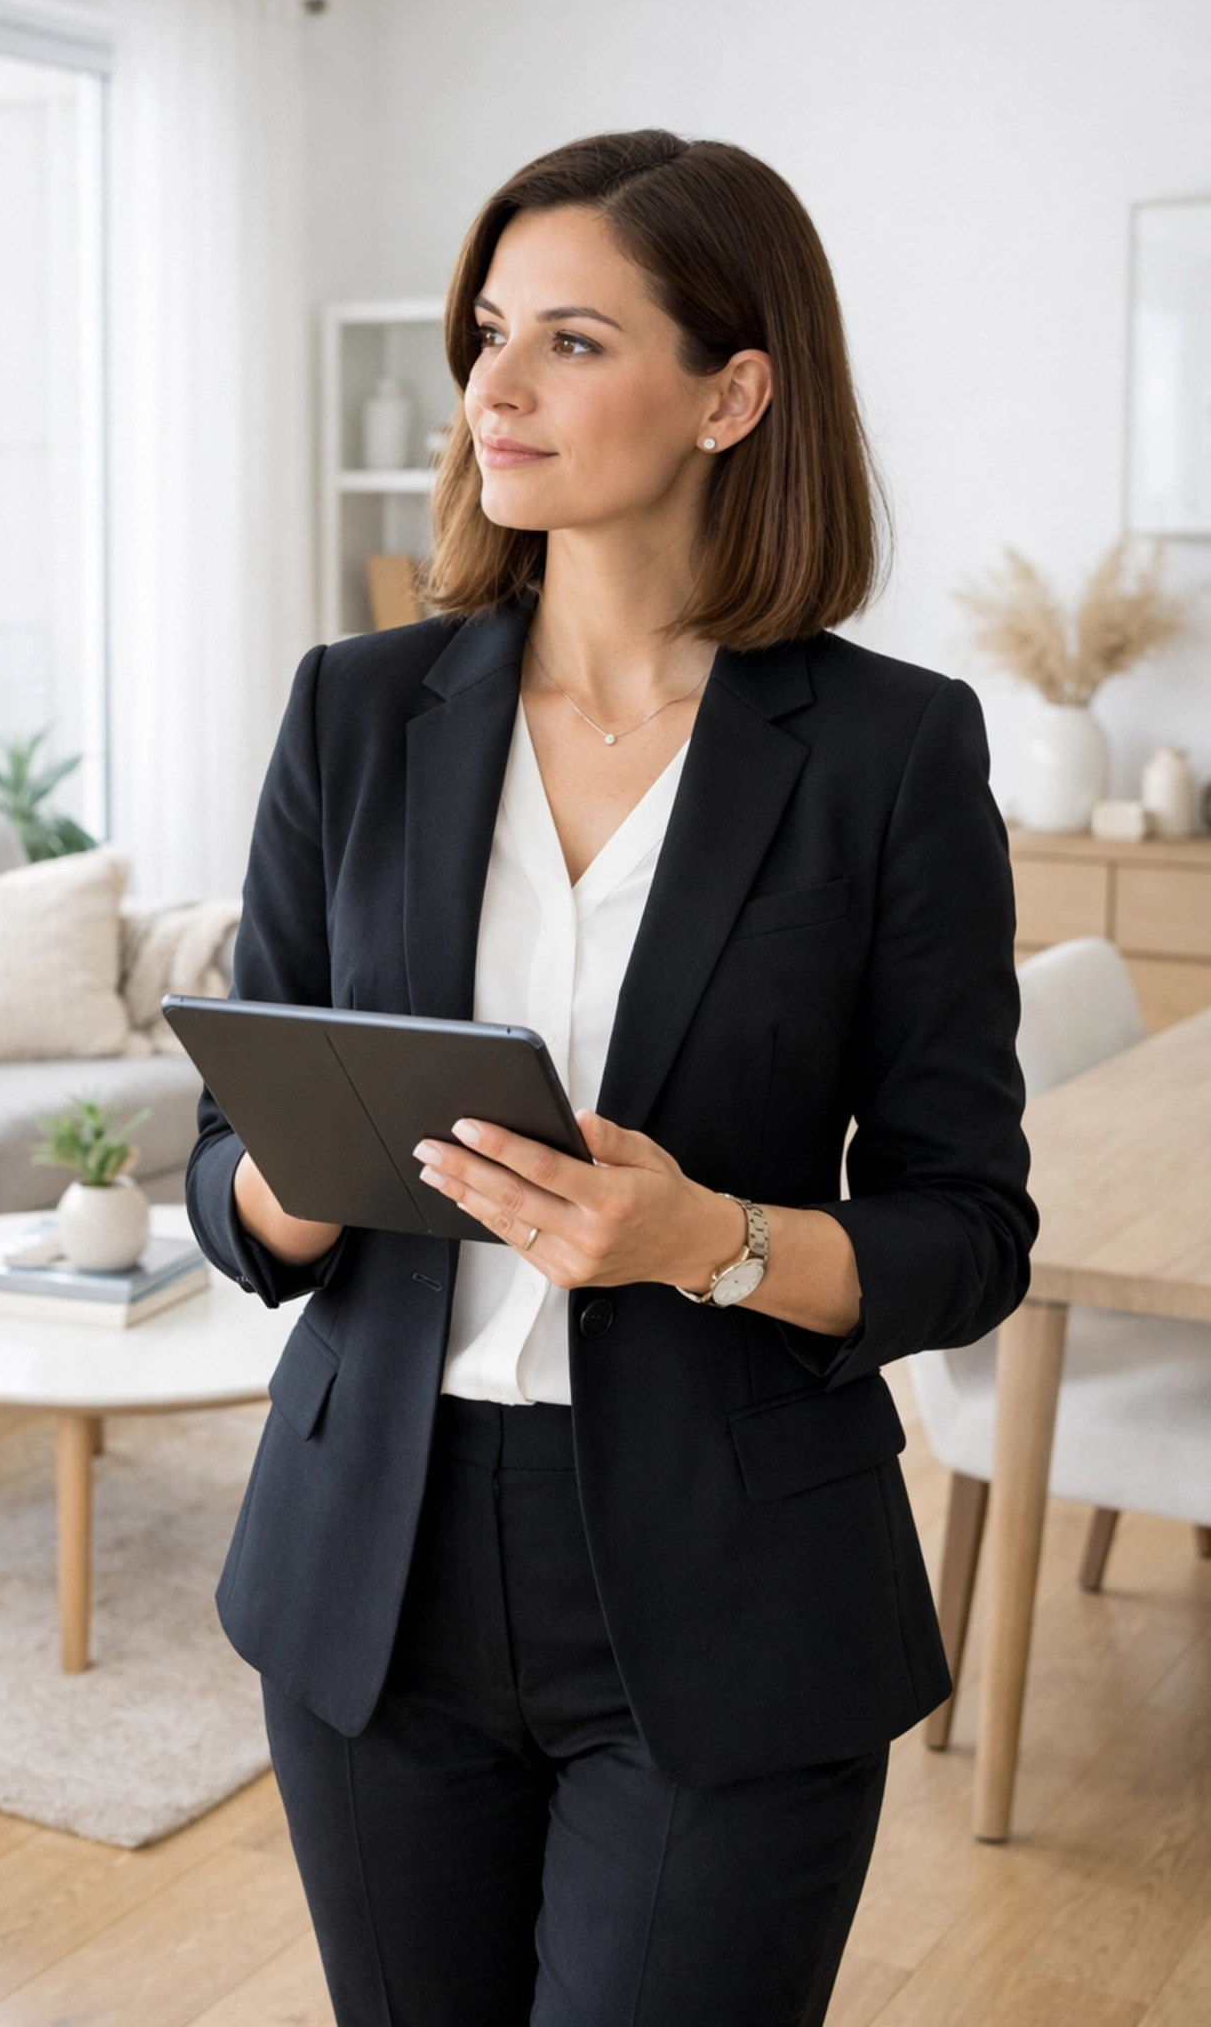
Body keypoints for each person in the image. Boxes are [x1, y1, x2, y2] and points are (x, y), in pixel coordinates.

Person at [187, 129, 1035, 2027]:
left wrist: (706, 1241)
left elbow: (969, 1232)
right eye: (489, 333)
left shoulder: (892, 752)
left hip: (733, 1590)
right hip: (372, 1569)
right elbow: (230, 1164)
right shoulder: (353, 710)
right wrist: (290, 1186)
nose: (494, 388)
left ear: (733, 394)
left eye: (572, 341)